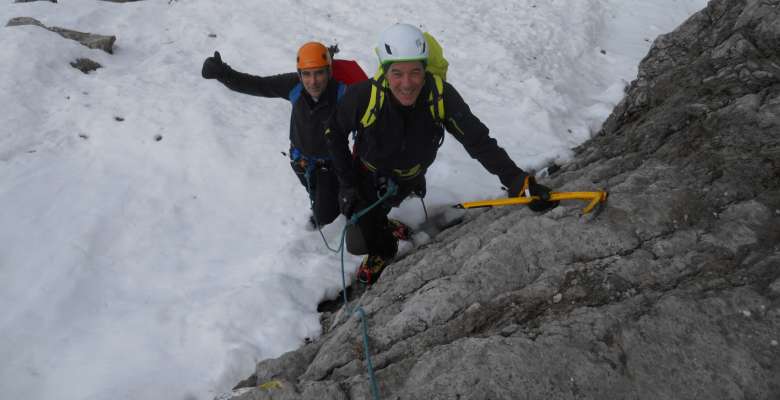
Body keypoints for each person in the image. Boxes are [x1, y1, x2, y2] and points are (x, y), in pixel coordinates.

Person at [325, 24, 558, 284]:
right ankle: (384, 246)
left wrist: (517, 181)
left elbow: (478, 141)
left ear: (425, 69)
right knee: (358, 241)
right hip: (367, 177)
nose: (406, 83)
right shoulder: (364, 96)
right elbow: (333, 133)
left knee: (381, 210)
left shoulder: (440, 96)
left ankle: (382, 225)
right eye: (397, 73)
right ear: (385, 71)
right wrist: (347, 185)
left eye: (415, 72)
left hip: (409, 177)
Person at [201, 42, 356, 228]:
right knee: (316, 194)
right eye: (306, 74)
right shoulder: (294, 86)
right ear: (299, 75)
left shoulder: (344, 94)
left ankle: (327, 210)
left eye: (319, 73)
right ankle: (323, 203)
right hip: (301, 162)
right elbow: (258, 84)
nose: (312, 81)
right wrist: (222, 72)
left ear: (329, 72)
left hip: (332, 165)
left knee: (327, 215)